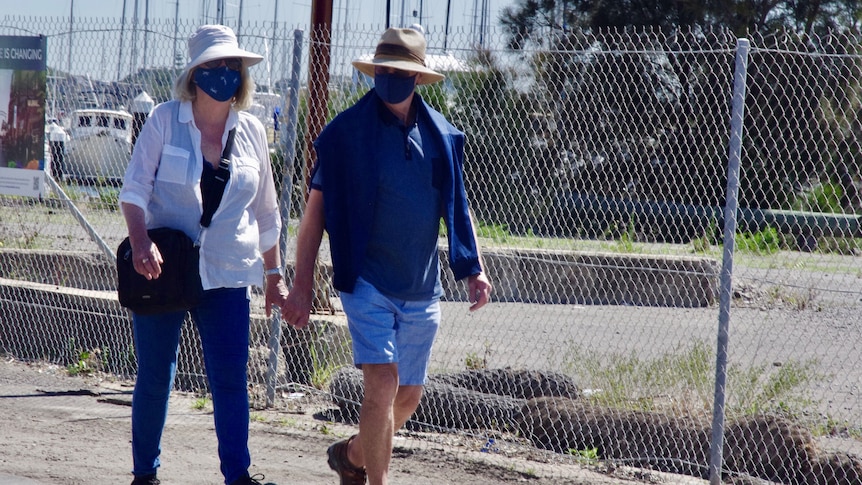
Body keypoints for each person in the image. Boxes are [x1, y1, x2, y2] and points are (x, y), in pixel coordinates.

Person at [281, 27, 493, 485]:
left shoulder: (443, 137)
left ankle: (353, 455)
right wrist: (301, 284)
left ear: (417, 77)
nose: (389, 77)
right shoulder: (343, 136)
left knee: (408, 396)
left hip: (421, 287)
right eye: (382, 69)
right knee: (381, 384)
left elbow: (458, 205)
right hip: (367, 283)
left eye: (399, 71)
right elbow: (314, 213)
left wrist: (474, 267)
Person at [118, 24, 285, 485]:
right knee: (155, 376)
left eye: (231, 66)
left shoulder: (252, 131)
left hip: (228, 271)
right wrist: (139, 241)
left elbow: (268, 214)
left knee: (230, 381)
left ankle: (238, 475)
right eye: (213, 66)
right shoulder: (164, 121)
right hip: (163, 269)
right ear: (194, 75)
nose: (224, 74)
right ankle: (144, 475)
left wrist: (275, 274)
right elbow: (134, 191)